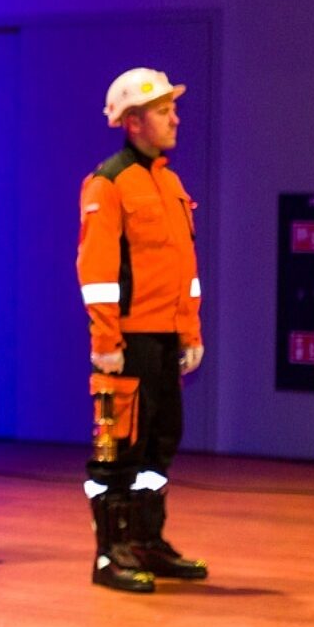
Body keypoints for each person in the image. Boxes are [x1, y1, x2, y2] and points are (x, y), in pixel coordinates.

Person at [76, 67, 208, 594]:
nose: (175, 119)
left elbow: (185, 270)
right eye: (163, 111)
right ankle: (111, 554)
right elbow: (97, 273)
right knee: (118, 450)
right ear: (132, 122)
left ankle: (148, 541)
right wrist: (106, 341)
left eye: (173, 110)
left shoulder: (169, 183)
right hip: (126, 342)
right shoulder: (108, 183)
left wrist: (190, 331)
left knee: (159, 444)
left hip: (164, 339)